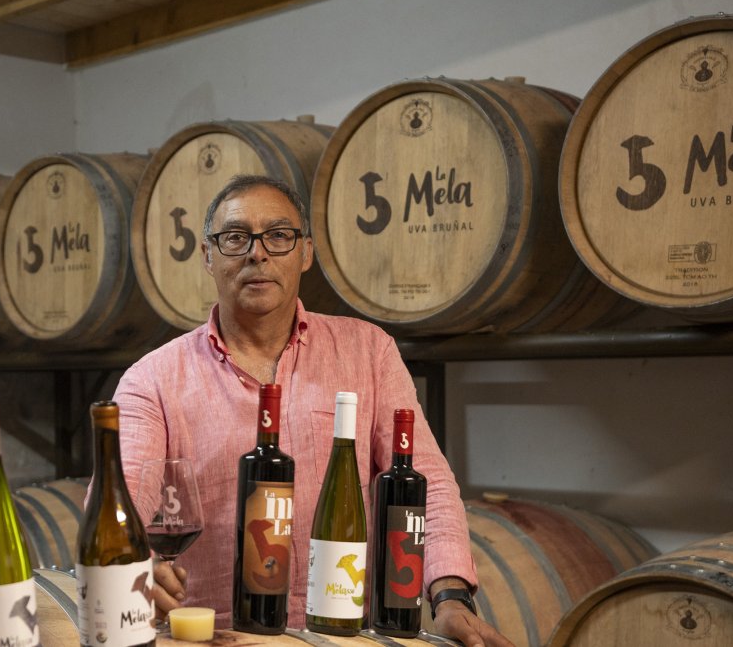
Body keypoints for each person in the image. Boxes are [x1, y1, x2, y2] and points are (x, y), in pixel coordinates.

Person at [113, 174, 513, 647]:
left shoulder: (368, 352)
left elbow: (429, 484)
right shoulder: (152, 379)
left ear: (305, 252)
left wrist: (449, 597)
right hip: (214, 638)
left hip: (347, 636)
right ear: (207, 255)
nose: (257, 253)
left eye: (278, 236)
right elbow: (118, 504)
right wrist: (134, 565)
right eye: (236, 237)